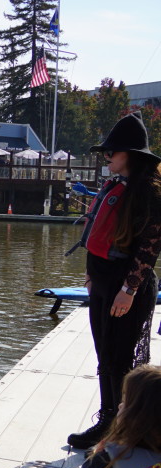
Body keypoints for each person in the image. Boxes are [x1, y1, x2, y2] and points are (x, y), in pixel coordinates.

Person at [67, 113, 161, 449]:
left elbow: (150, 245)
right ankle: (109, 420)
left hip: (127, 287)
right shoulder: (115, 186)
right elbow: (96, 236)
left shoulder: (148, 192)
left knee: (121, 359)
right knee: (105, 355)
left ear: (131, 155)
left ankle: (122, 426)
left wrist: (129, 289)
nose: (106, 157)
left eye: (112, 151)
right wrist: (90, 276)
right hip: (104, 283)